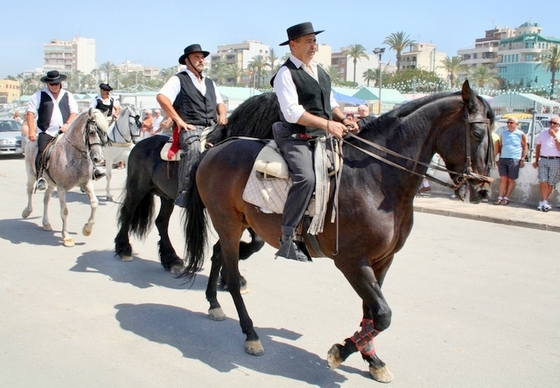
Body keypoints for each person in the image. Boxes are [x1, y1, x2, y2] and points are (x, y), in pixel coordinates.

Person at [271, 22, 359, 261]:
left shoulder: (319, 70)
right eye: (308, 41)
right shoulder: (285, 74)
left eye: (314, 40)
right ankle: (287, 237)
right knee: (306, 178)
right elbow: (291, 112)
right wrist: (328, 125)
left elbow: (330, 104)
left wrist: (344, 119)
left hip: (321, 134)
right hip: (295, 136)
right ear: (293, 44)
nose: (313, 45)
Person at [156, 44, 228, 207]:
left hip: (212, 126)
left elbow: (220, 103)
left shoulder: (210, 82)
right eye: (196, 57)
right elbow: (162, 97)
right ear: (187, 61)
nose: (201, 60)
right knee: (194, 148)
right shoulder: (178, 79)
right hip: (190, 127)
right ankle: (185, 191)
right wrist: (178, 120)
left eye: (202, 57)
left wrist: (222, 114)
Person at [26, 70, 79, 191]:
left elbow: (74, 112)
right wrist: (31, 131)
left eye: (56, 84)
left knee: (83, 146)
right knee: (42, 151)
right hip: (47, 131)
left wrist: (67, 124)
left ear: (61, 83)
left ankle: (91, 172)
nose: (54, 86)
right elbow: (30, 113)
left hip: (66, 131)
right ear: (47, 84)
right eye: (52, 84)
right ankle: (40, 177)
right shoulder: (38, 95)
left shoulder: (68, 95)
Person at [493, 117, 528, 205]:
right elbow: (500, 147)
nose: (509, 124)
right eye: (508, 122)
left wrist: (522, 159)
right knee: (503, 178)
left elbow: (525, 147)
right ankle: (500, 197)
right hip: (503, 158)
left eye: (511, 123)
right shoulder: (503, 133)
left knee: (511, 179)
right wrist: (497, 158)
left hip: (514, 158)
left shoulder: (520, 134)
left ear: (516, 124)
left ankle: (506, 197)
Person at [532, 115, 560, 212]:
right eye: (551, 122)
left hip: (556, 160)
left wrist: (555, 136)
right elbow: (538, 147)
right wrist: (536, 160)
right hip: (543, 159)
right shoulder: (543, 133)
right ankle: (544, 201)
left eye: (555, 123)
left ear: (558, 125)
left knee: (551, 182)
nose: (552, 124)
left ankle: (544, 201)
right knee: (543, 180)